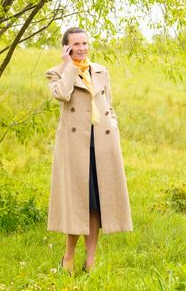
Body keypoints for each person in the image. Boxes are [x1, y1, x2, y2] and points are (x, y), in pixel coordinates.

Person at [45, 27, 133, 274]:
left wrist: (112, 125)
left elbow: (109, 105)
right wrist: (69, 65)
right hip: (75, 147)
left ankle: (91, 261)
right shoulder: (57, 73)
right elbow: (62, 94)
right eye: (76, 44)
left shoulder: (101, 71)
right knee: (77, 203)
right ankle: (69, 257)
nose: (82, 48)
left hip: (102, 144)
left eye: (85, 43)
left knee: (96, 204)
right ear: (67, 47)